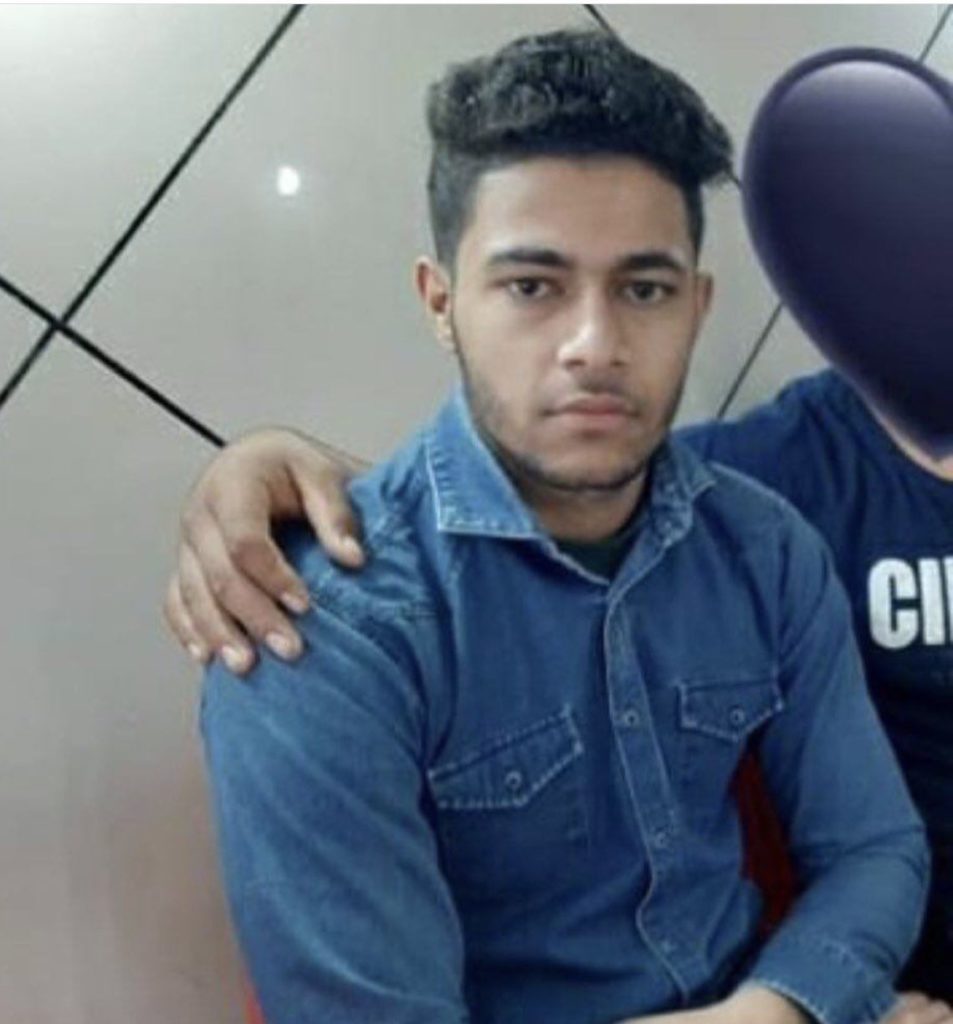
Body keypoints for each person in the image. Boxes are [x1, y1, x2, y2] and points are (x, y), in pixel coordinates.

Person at [193, 29, 930, 1024]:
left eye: (643, 289)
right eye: (532, 286)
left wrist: (784, 1005)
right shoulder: (324, 620)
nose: (594, 344)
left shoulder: (762, 547)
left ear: (696, 306)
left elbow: (873, 848)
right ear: (441, 302)